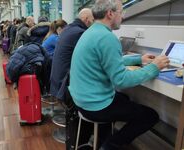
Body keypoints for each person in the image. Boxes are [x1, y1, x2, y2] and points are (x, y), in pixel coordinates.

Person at [68, 0, 170, 149]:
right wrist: (154, 67)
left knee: (124, 98)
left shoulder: (91, 32)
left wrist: (138, 58)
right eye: (121, 12)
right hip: (95, 106)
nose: (122, 16)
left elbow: (108, 60)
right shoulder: (107, 38)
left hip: (81, 101)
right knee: (150, 116)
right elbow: (121, 80)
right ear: (110, 13)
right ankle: (110, 145)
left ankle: (103, 138)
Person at [49, 8, 94, 149]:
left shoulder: (69, 29)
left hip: (57, 82)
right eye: (93, 21)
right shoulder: (80, 33)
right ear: (87, 19)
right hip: (65, 86)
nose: (94, 24)